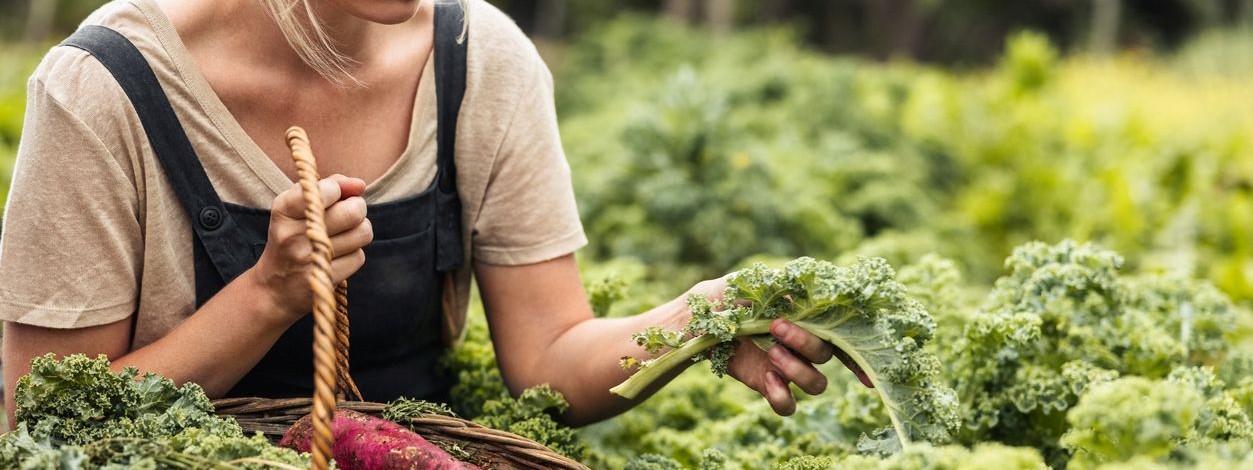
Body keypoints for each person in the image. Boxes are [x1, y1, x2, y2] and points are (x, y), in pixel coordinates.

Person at [0, 0, 864, 429]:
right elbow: (45, 421)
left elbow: (549, 361)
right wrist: (265, 295)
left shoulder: (479, 59)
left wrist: (698, 319)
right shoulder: (103, 87)